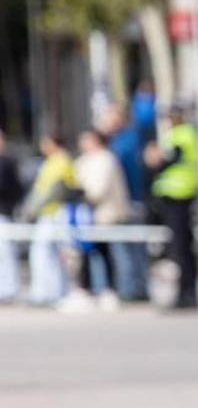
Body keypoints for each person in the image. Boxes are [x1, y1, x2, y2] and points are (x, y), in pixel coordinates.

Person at [66, 129, 129, 310]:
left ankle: (109, 290)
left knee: (104, 252)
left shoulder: (105, 159)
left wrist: (83, 194)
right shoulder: (84, 160)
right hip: (85, 216)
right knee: (84, 254)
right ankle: (86, 289)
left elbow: (98, 189)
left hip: (102, 215)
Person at [146, 104, 198, 310]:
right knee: (182, 248)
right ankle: (186, 293)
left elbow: (169, 160)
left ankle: (187, 294)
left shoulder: (182, 134)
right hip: (175, 196)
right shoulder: (176, 134)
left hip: (180, 196)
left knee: (181, 249)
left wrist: (155, 159)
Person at [102, 104, 150, 303]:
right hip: (125, 201)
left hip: (130, 200)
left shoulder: (125, 142)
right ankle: (133, 285)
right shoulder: (117, 141)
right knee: (126, 247)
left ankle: (134, 287)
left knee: (130, 247)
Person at [21, 133, 75, 306]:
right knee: (45, 254)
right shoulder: (51, 162)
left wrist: (31, 209)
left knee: (46, 253)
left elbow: (54, 190)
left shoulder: (61, 161)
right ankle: (48, 291)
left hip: (56, 213)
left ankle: (50, 293)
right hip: (48, 213)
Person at [0, 129, 22, 303]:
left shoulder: (6, 163)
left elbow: (12, 189)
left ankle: (9, 289)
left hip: (4, 213)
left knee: (6, 253)